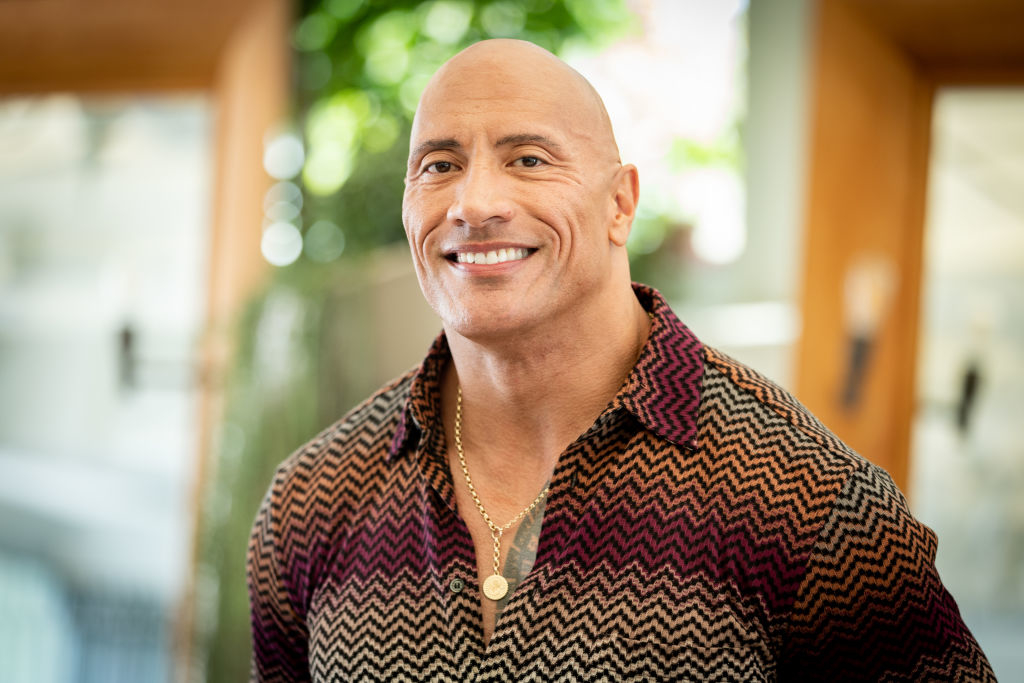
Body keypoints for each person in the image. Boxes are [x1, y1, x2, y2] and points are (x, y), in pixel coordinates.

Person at [247, 39, 994, 682]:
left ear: (620, 203)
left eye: (528, 158)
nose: (473, 203)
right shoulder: (310, 503)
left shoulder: (808, 498)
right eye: (439, 165)